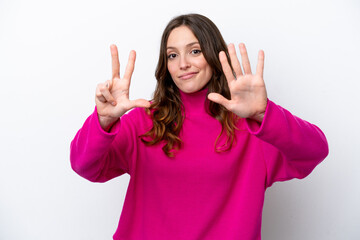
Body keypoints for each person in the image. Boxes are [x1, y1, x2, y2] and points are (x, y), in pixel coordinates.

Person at [70, 14, 328, 240]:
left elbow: (315, 151)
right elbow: (84, 166)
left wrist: (263, 113)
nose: (183, 64)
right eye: (172, 55)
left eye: (194, 51)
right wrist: (102, 121)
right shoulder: (143, 120)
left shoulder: (251, 126)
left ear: (215, 55)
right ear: (166, 65)